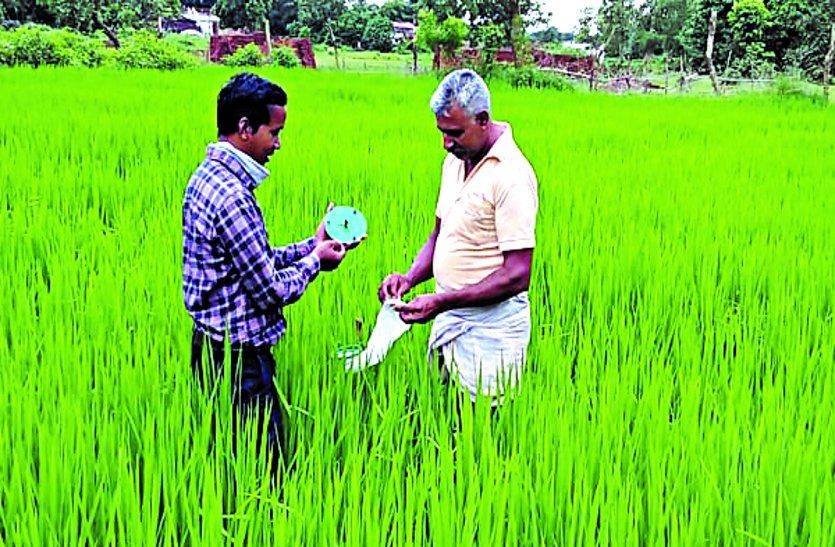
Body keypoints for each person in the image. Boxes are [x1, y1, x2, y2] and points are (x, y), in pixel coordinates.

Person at [183, 72, 349, 474]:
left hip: (209, 347)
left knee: (226, 454)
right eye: (274, 132)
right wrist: (318, 263)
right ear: (244, 129)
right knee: (263, 468)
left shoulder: (206, 178)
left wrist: (312, 244)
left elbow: (253, 261)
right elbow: (270, 291)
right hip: (240, 361)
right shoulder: (233, 197)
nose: (277, 144)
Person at [379, 69, 538, 407]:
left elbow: (518, 274)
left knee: (483, 427)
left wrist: (442, 303)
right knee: (444, 412)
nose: (446, 143)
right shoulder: (455, 161)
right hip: (451, 315)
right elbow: (440, 234)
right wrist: (409, 279)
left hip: (490, 329)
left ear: (483, 120)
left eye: (454, 133)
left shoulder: (511, 175)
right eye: (441, 133)